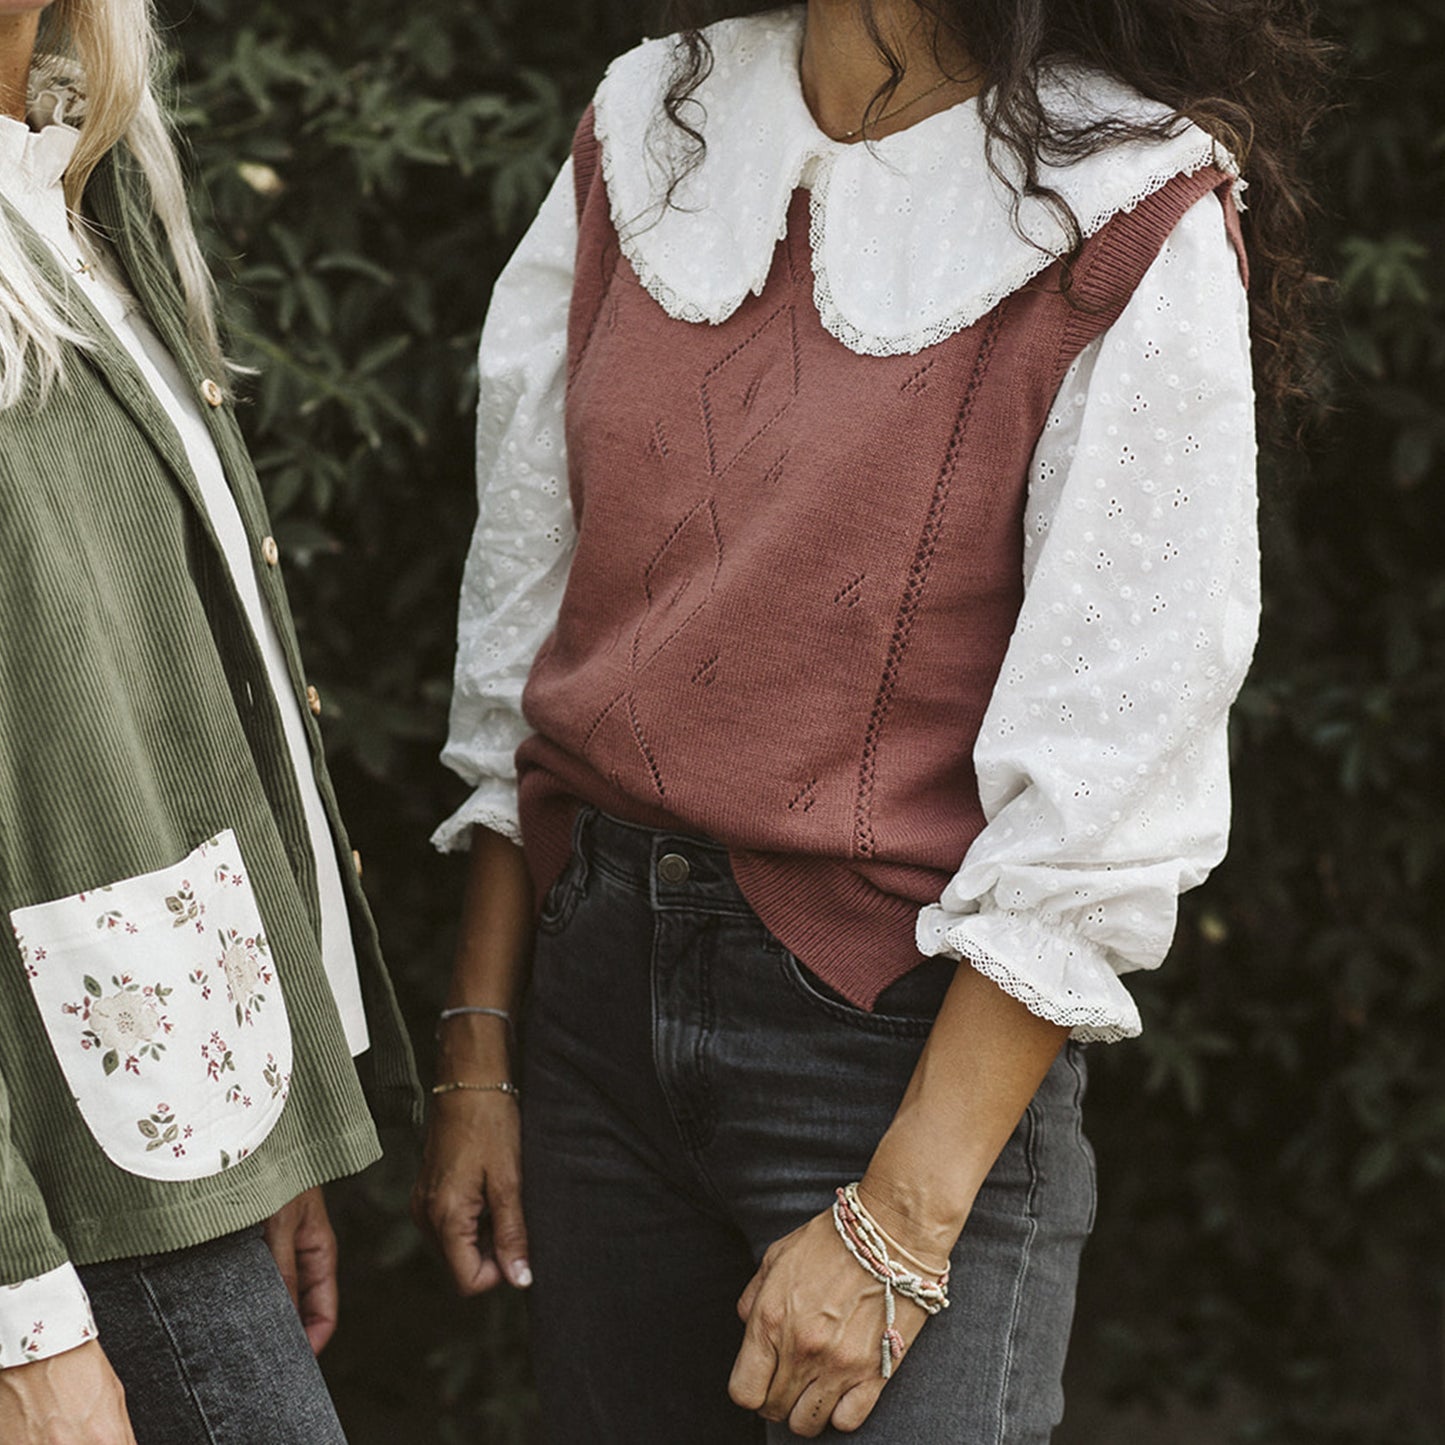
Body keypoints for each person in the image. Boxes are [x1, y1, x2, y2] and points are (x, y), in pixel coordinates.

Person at [415, 0, 1323, 1438]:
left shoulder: (1126, 203)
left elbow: (1111, 774)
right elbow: (521, 617)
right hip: (593, 1024)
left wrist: (899, 1219)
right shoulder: (651, 120)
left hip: (898, 1051)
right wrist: (478, 1041)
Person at [0, 2, 419, 1441]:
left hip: (172, 1097)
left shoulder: (73, 175)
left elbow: (167, 694)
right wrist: (20, 1318)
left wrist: (273, 1100)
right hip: (56, 1185)